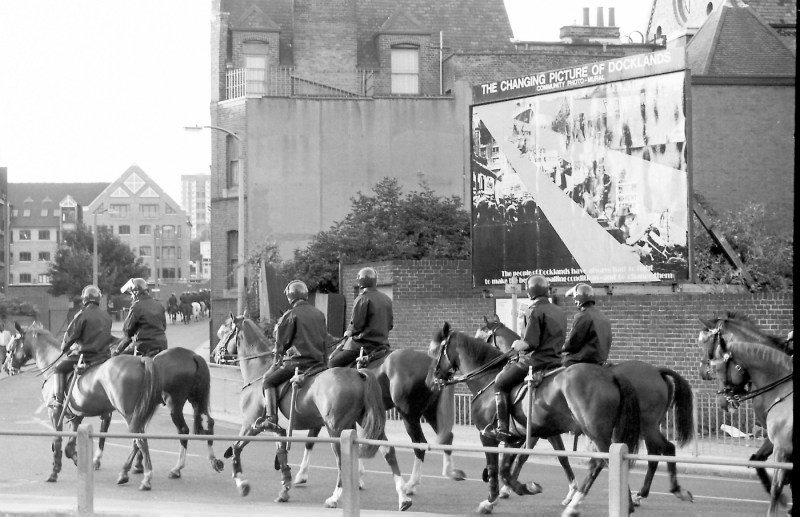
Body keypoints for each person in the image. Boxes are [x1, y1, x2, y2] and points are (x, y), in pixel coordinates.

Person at [483, 275, 566, 442]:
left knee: (500, 382)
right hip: (556, 361)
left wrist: (516, 344)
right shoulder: (559, 311)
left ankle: (503, 429)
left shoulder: (533, 310)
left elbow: (530, 343)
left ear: (530, 291)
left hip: (534, 362)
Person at [253, 280, 329, 433]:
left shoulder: (291, 315)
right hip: (318, 364)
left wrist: (276, 362)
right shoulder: (319, 314)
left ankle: (271, 419)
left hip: (297, 365)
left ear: (290, 296)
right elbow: (324, 340)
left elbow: (281, 344)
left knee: (268, 381)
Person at [50, 285, 113, 411]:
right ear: (98, 299)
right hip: (104, 357)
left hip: (86, 357)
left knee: (58, 369)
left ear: (84, 299)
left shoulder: (82, 315)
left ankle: (58, 401)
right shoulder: (106, 316)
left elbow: (70, 336)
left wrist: (65, 348)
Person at [328, 267, 393, 368]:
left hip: (362, 346)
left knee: (332, 363)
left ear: (360, 282)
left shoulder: (362, 298)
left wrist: (349, 331)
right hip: (382, 345)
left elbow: (357, 325)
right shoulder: (387, 299)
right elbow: (390, 325)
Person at [112, 278, 167, 358]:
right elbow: (164, 326)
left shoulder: (136, 306)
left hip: (144, 345)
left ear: (135, 293)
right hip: (162, 344)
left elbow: (128, 330)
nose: (131, 296)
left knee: (118, 359)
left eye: (131, 294)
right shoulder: (159, 305)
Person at [562, 283, 611, 367]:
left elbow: (573, 343)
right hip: (601, 360)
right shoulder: (604, 318)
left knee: (560, 365)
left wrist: (560, 348)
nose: (574, 301)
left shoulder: (582, 316)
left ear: (578, 300)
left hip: (583, 359)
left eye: (575, 298)